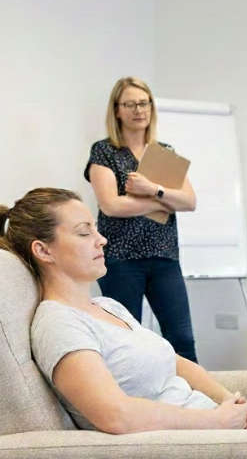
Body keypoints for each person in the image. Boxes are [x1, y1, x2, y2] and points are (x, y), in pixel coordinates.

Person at [0, 188, 247, 459]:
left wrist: (231, 403)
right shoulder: (58, 325)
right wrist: (216, 422)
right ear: (44, 250)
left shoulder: (109, 306)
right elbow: (114, 416)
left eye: (96, 230)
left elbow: (176, 362)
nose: (101, 240)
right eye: (84, 233)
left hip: (219, 423)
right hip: (195, 441)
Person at [85, 76, 198, 362]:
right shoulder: (105, 151)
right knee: (126, 339)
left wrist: (152, 190)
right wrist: (163, 200)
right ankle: (132, 403)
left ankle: (199, 403)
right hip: (121, 259)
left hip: (164, 256)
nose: (139, 110)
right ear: (117, 110)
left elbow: (189, 201)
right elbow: (110, 205)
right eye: (130, 104)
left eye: (144, 103)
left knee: (181, 338)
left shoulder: (164, 152)